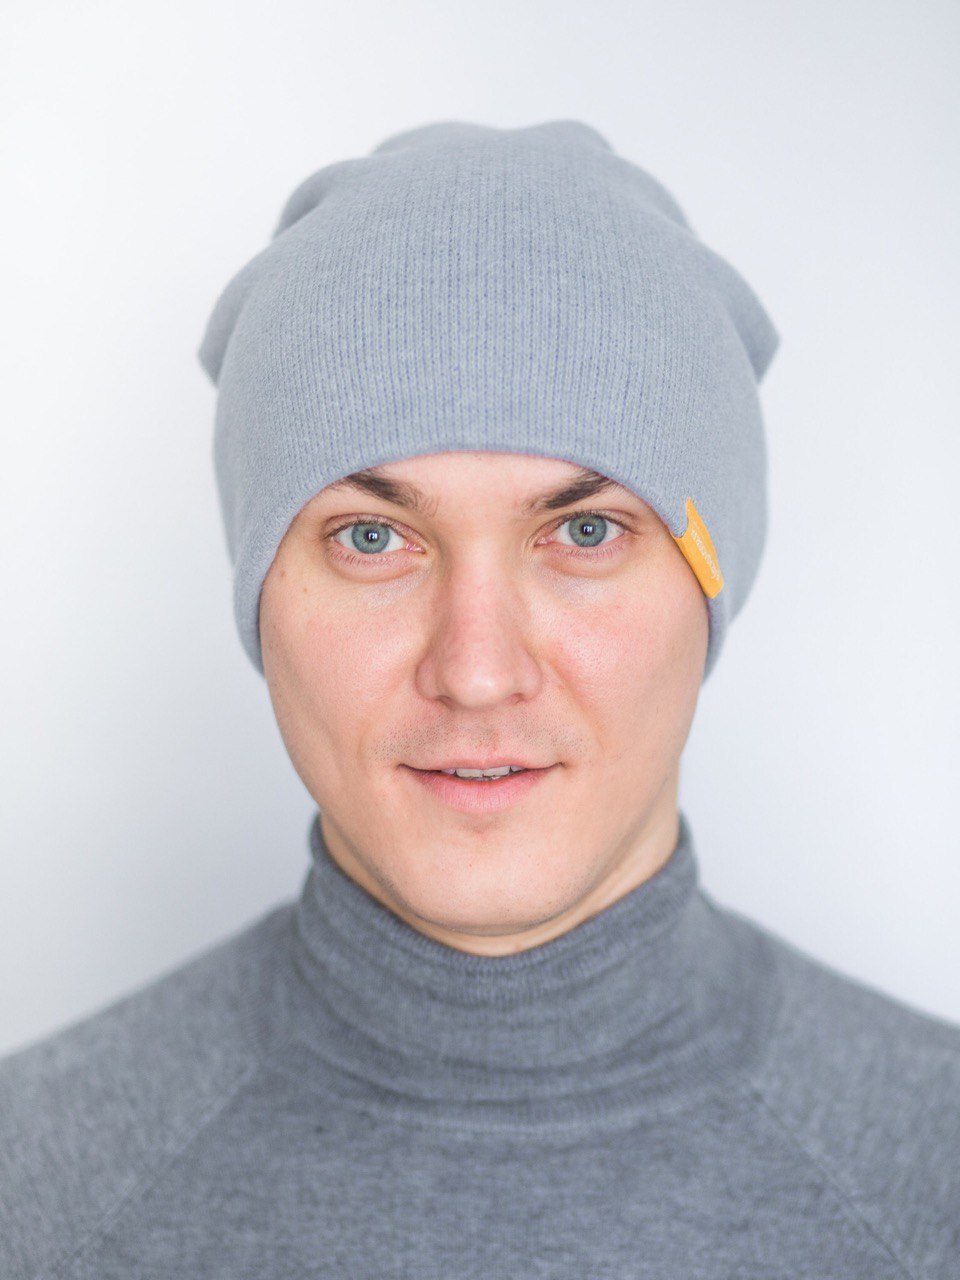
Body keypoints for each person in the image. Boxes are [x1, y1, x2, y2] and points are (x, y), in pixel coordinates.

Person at [1, 119, 957, 1278]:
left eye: (586, 531)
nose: (476, 668)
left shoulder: (933, 1176)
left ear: (711, 585)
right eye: (371, 536)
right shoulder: (33, 1189)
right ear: (260, 596)